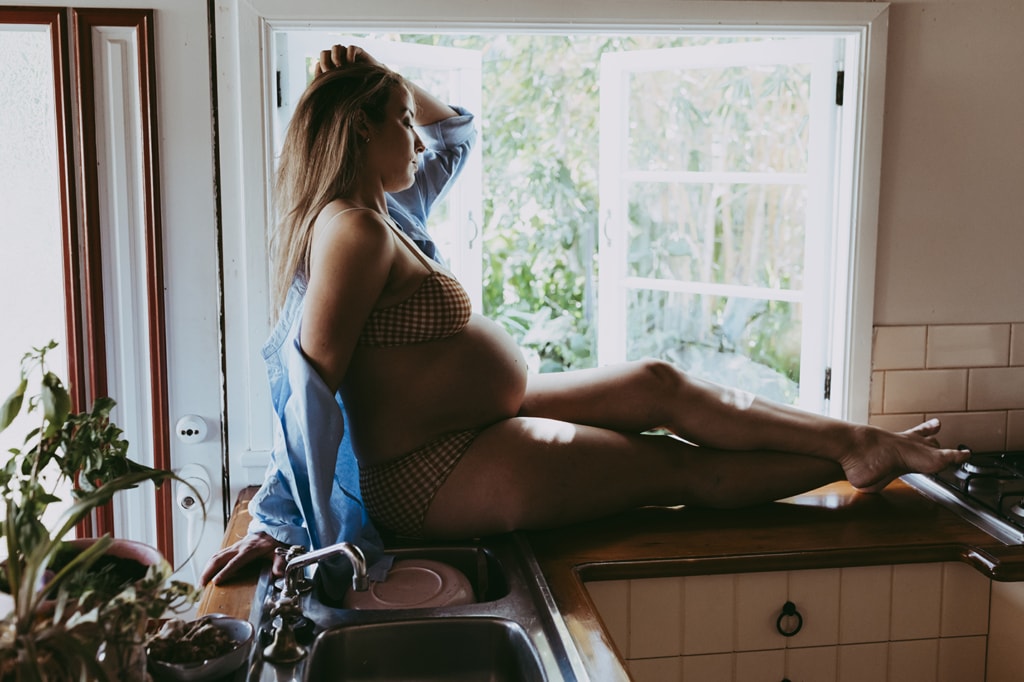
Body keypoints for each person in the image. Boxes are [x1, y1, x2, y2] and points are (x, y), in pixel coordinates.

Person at [201, 45, 968, 587]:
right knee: (669, 468)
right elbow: (306, 393)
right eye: (397, 118)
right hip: (427, 470)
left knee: (659, 382)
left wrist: (387, 75)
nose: (414, 132)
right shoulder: (354, 231)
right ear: (364, 131)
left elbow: (456, 136)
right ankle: (860, 462)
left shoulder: (387, 208)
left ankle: (858, 442)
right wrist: (281, 523)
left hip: (478, 421)